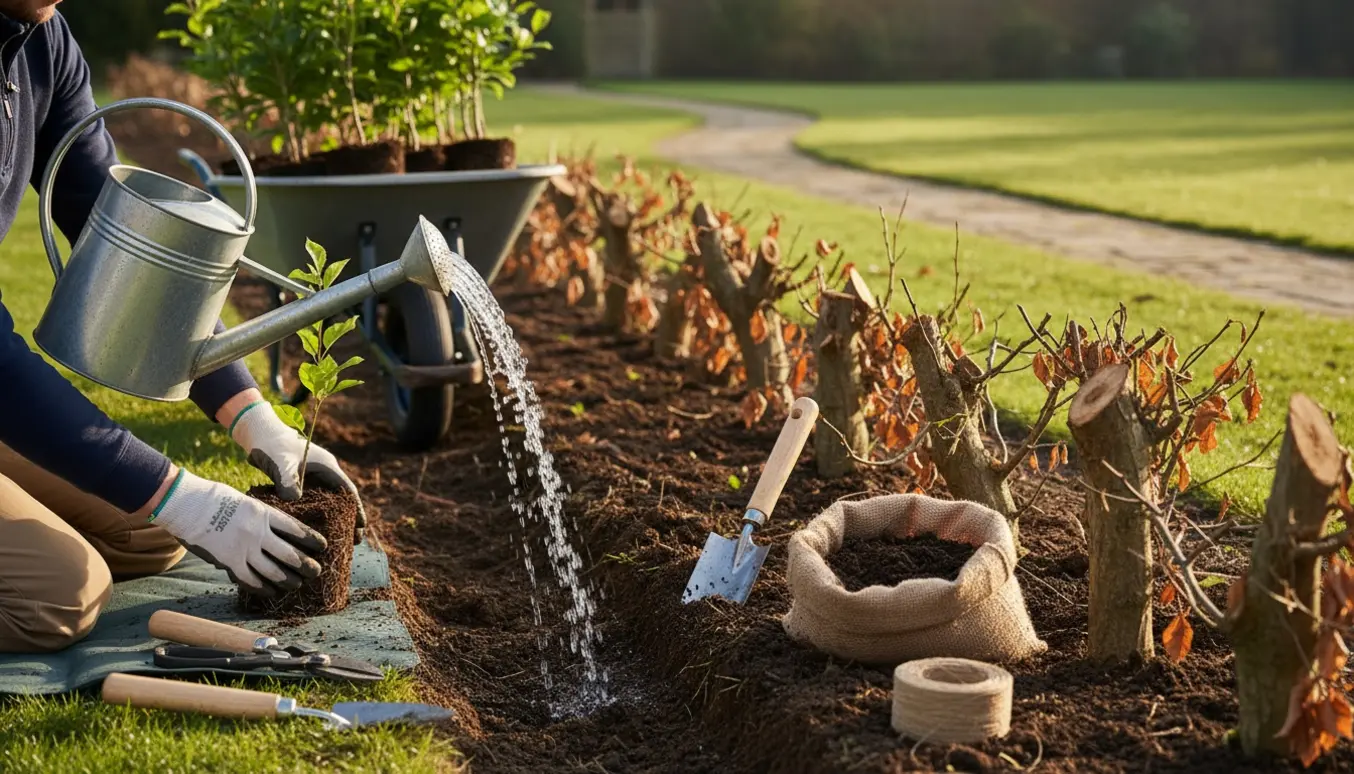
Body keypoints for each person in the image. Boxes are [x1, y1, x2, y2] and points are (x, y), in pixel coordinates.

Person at [0, 1, 365, 652]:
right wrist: (187, 497)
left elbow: (121, 237)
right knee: (56, 595)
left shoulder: (42, 43)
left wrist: (255, 419)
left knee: (147, 532)